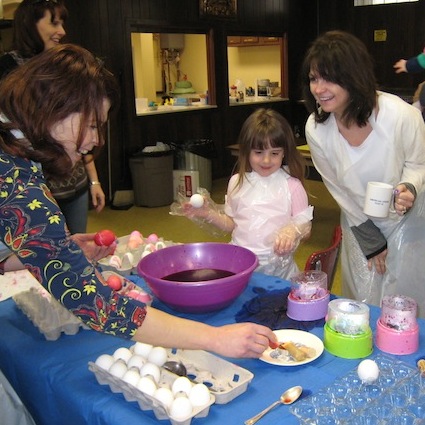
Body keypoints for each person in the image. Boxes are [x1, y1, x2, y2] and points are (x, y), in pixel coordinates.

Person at [0, 43, 276, 357]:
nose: (95, 140)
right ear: (55, 106)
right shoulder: (16, 178)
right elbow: (96, 302)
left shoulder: (13, 150)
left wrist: (52, 251)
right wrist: (213, 338)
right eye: (92, 125)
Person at [301, 30, 425, 316]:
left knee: (403, 302)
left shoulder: (400, 115)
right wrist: (371, 240)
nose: (319, 88)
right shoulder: (317, 128)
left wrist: (409, 187)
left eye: (329, 77)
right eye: (313, 78)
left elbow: (419, 164)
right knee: (362, 299)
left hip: (408, 221)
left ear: (353, 76)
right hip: (360, 221)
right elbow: (339, 191)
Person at [0, 0, 105, 234]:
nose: (62, 31)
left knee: (70, 247)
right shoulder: (8, 69)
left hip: (72, 185)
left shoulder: (63, 67)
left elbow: (84, 132)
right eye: (53, 22)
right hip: (33, 190)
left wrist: (94, 181)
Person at [174, 108, 313, 280]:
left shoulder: (292, 186)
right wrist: (207, 213)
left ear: (284, 152)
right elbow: (231, 224)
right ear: (246, 151)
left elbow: (306, 229)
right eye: (258, 152)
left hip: (278, 272)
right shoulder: (236, 182)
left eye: (274, 153)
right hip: (240, 266)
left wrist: (292, 231)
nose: (267, 160)